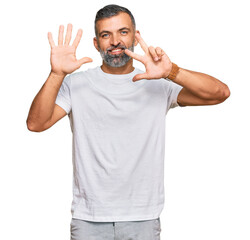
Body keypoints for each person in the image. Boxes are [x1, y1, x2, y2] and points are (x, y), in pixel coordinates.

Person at [26, 4, 230, 240]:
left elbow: (220, 93)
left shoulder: (158, 84)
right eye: (106, 35)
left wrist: (171, 71)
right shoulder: (76, 84)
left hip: (142, 217)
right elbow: (36, 124)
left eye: (123, 32)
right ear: (96, 43)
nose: (115, 41)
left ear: (135, 35)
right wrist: (57, 74)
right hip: (89, 218)